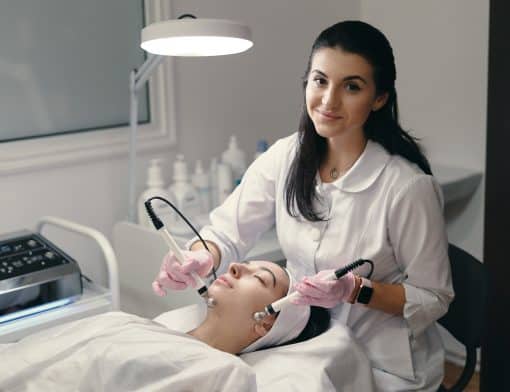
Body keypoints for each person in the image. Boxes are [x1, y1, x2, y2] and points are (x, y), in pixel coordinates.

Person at [153, 20, 454, 391]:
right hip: (305, 345)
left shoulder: (406, 189)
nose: (328, 101)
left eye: (352, 87)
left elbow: (434, 298)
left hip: (382, 366)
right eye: (320, 80)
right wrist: (202, 256)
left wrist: (353, 290)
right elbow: (226, 233)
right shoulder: (286, 157)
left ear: (379, 99)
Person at [1, 260, 329, 391]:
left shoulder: (227, 374)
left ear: (265, 322)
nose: (236, 265)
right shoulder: (128, 322)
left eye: (260, 278)